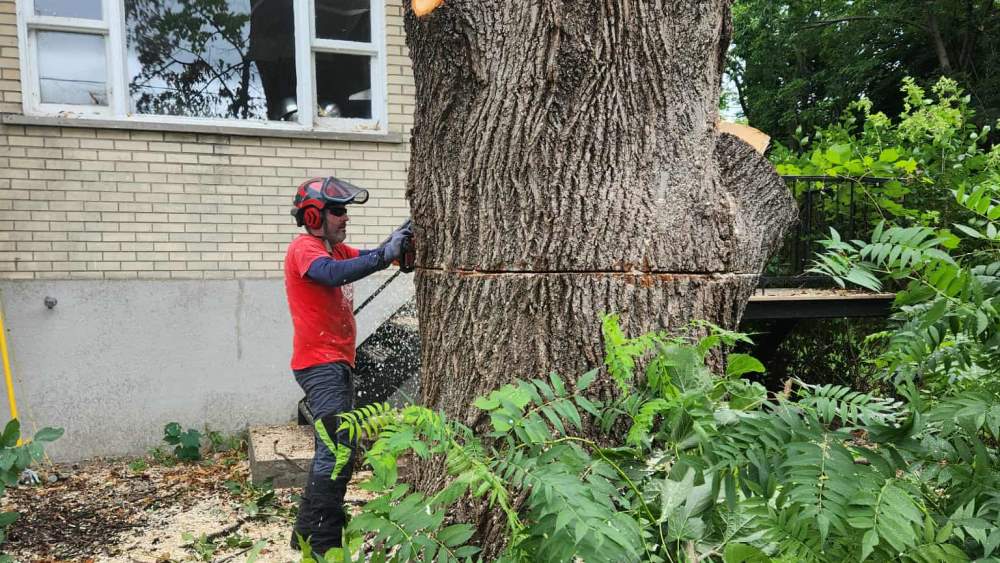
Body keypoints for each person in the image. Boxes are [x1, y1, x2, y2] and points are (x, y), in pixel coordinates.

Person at [284, 176, 411, 553]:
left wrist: (398, 238)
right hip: (318, 365)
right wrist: (384, 254)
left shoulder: (336, 251)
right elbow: (332, 274)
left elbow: (367, 256)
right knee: (338, 447)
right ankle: (322, 544)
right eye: (337, 211)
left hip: (336, 362)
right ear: (312, 215)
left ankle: (306, 537)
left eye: (345, 211)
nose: (345, 218)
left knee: (340, 442)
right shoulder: (305, 249)